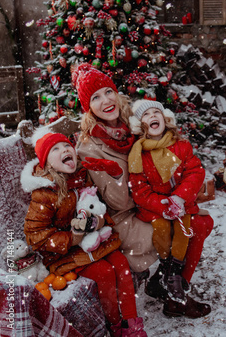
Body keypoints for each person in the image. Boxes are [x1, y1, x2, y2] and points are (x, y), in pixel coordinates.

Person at [73, 63, 213, 318]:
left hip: (151, 201)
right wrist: (115, 175)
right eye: (95, 97)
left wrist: (177, 189)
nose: (105, 100)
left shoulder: (133, 121)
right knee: (191, 228)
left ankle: (167, 284)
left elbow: (166, 149)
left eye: (108, 91)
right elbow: (118, 203)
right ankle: (173, 294)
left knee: (203, 222)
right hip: (125, 216)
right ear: (88, 108)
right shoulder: (89, 148)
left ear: (116, 93)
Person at [21, 129, 147, 337]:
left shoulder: (81, 176)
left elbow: (97, 206)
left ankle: (132, 325)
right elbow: (35, 235)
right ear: (47, 163)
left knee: (121, 264)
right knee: (104, 273)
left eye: (66, 146)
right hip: (65, 254)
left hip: (95, 241)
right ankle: (115, 326)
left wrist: (97, 221)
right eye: (55, 149)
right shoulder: (45, 193)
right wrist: (72, 238)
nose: (64, 150)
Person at [127, 100, 207, 309]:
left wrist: (179, 198)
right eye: (146, 115)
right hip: (155, 207)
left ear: (165, 118)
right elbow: (140, 190)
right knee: (161, 230)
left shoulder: (181, 146)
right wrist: (164, 206)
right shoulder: (138, 154)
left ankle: (173, 275)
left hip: (182, 204)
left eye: (157, 112)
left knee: (184, 231)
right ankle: (166, 266)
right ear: (139, 124)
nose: (153, 116)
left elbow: (195, 172)